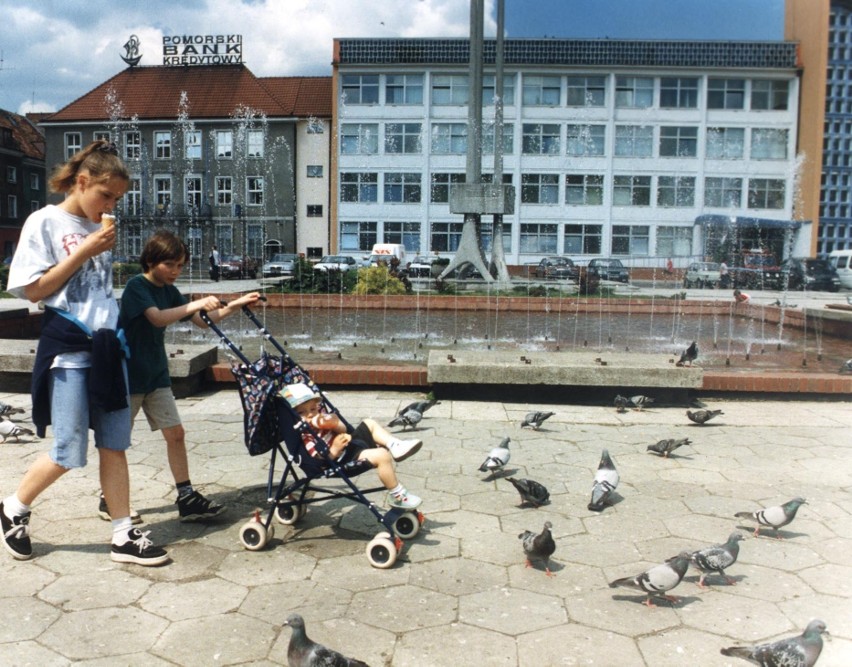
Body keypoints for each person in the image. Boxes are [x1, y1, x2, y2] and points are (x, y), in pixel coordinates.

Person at [1, 140, 168, 566]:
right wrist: (84, 252)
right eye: (106, 195)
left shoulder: (99, 228)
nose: (111, 204)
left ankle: (123, 534)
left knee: (114, 444)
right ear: (81, 181)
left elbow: (95, 293)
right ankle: (12, 508)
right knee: (68, 450)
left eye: (117, 198)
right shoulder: (44, 222)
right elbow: (34, 290)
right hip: (69, 349)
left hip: (109, 347)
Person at [101, 230, 261, 523]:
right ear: (151, 260)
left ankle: (186, 496)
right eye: (170, 265)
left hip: (156, 373)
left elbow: (201, 322)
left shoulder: (168, 289)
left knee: (175, 434)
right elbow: (158, 318)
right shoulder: (138, 286)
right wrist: (198, 302)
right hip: (129, 375)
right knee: (117, 441)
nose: (176, 271)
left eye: (180, 266)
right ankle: (107, 499)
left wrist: (235, 305)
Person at [283, 383, 424, 509]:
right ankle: (398, 496)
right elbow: (319, 460)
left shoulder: (322, 420)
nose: (310, 415)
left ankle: (395, 445)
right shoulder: (307, 436)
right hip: (340, 460)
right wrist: (334, 449)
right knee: (382, 455)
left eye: (313, 409)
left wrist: (335, 424)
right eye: (302, 412)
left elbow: (344, 430)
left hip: (350, 447)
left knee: (369, 423)